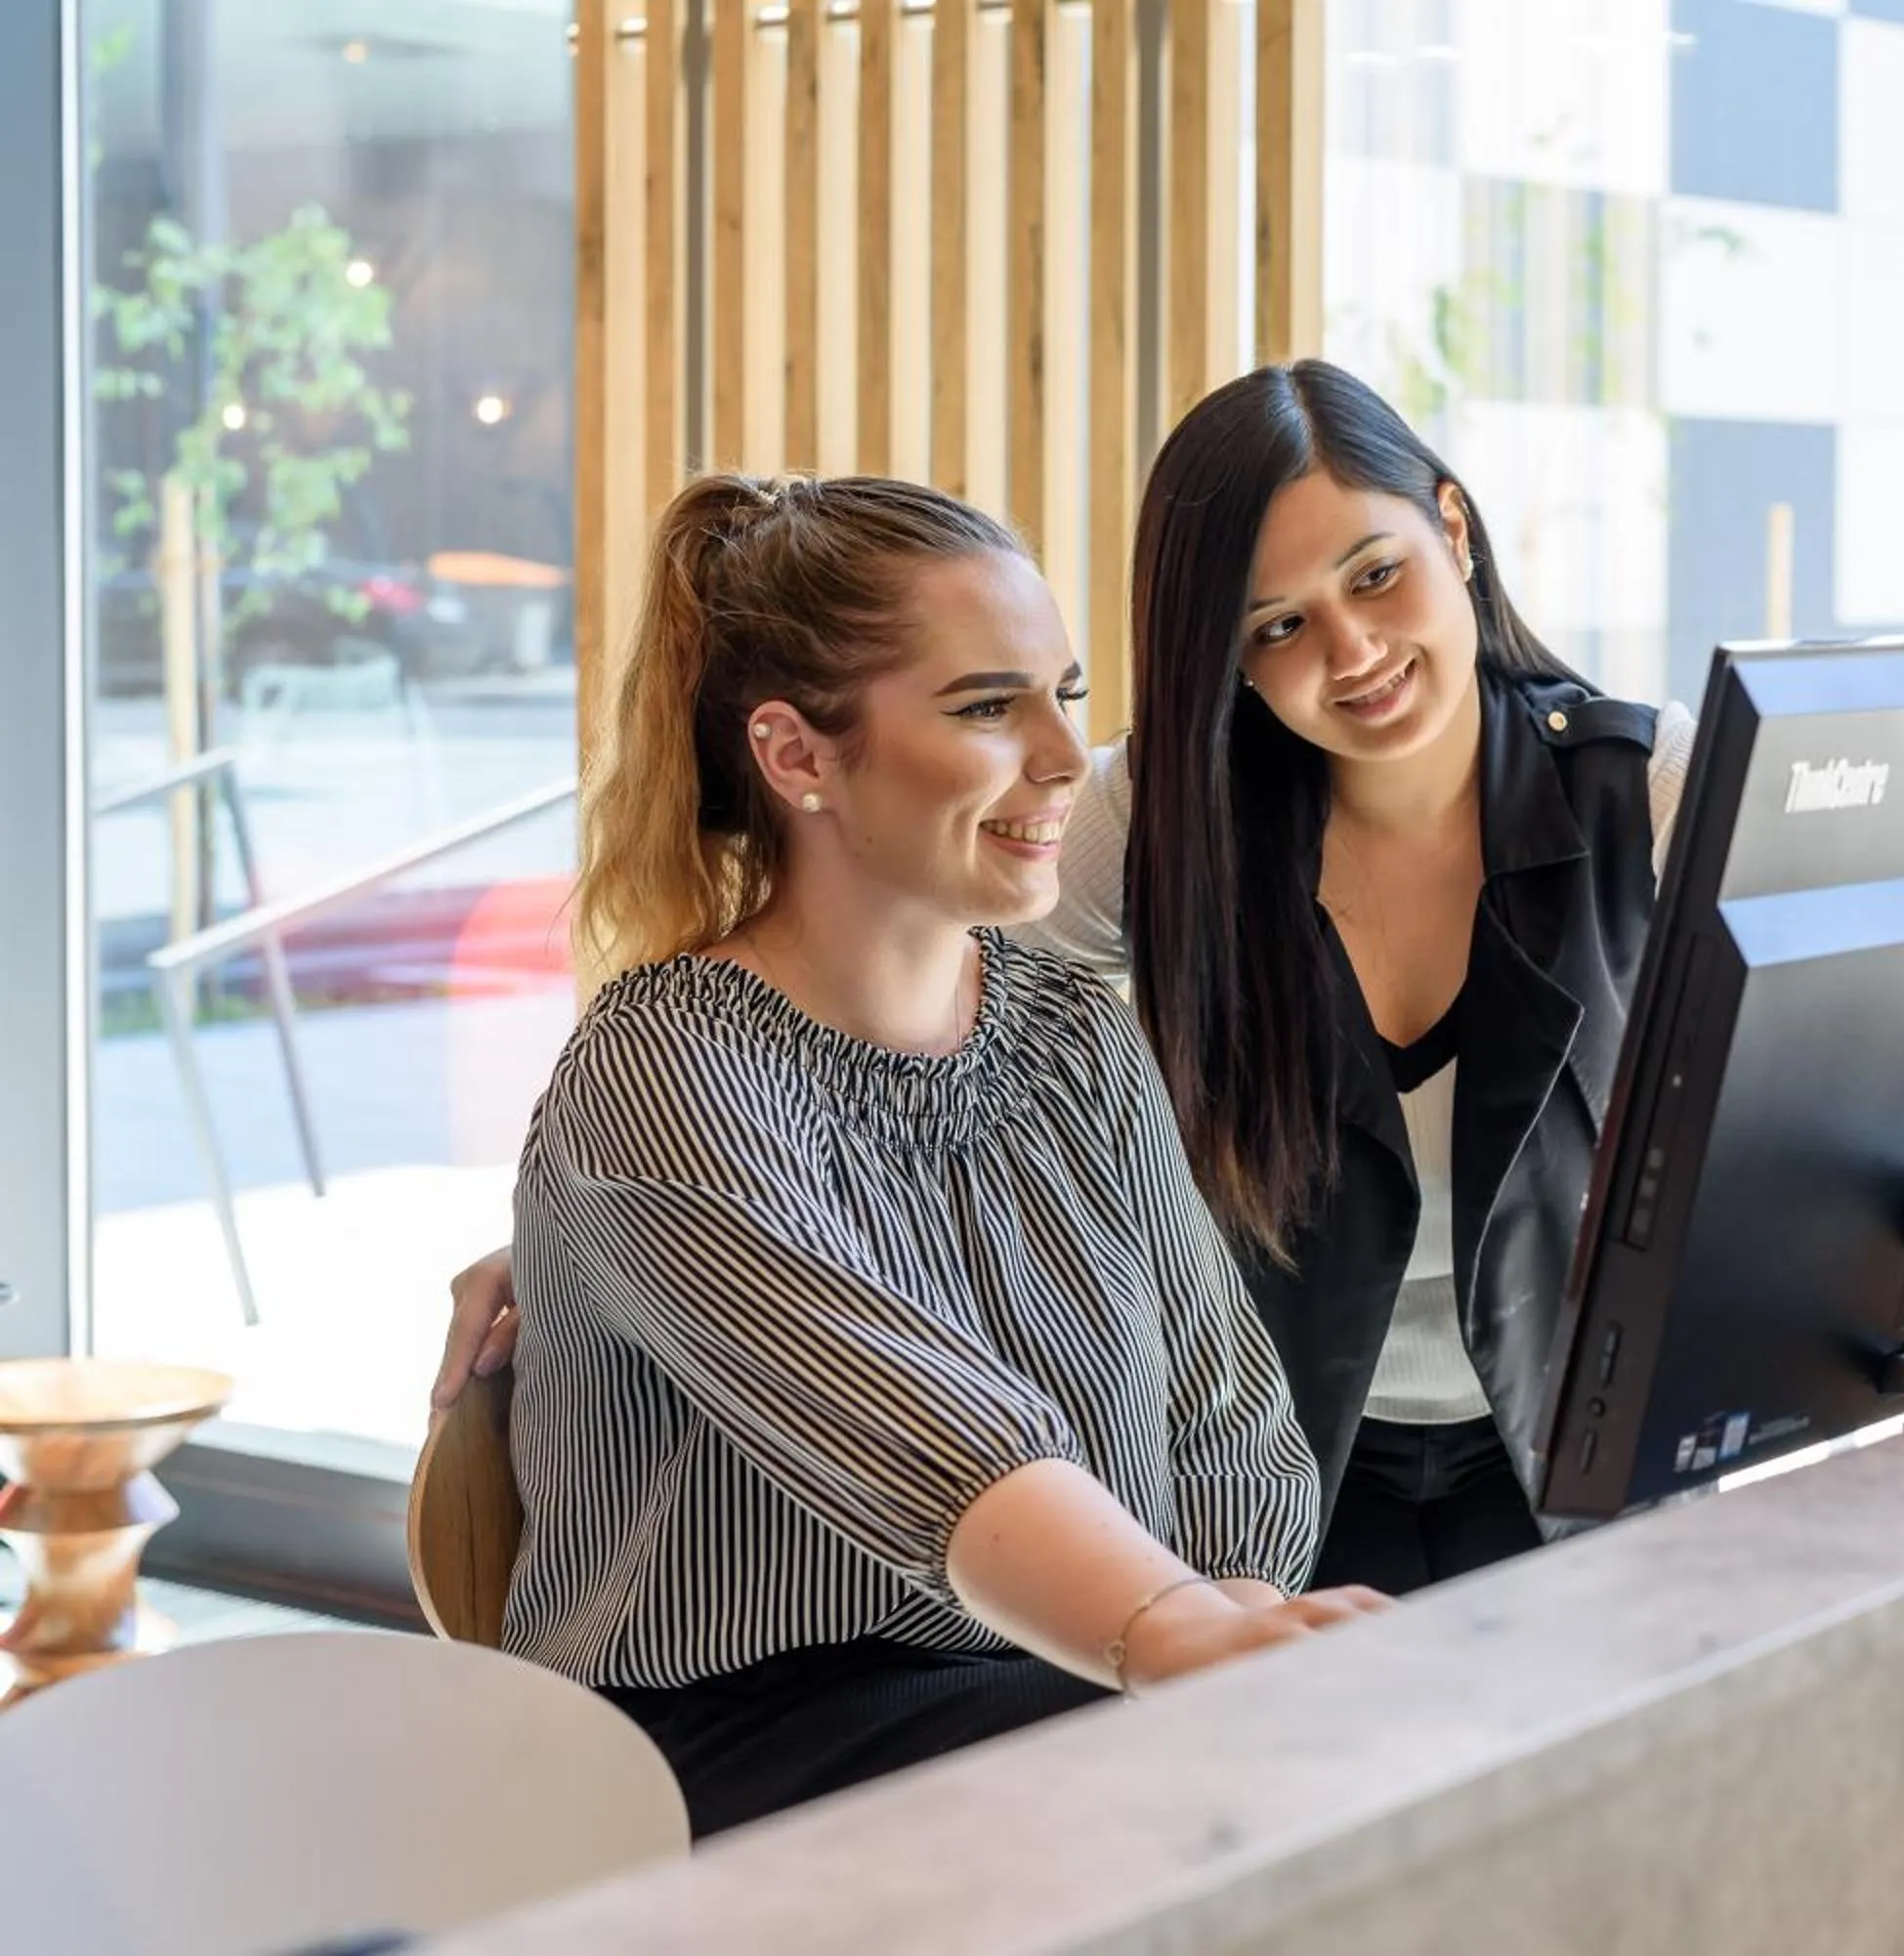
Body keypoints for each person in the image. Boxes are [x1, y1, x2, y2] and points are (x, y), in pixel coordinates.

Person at [440, 363, 1694, 1597]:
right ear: (1229, 657)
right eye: (1277, 625)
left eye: (1377, 573)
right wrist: (607, 1231)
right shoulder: (1168, 818)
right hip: (1304, 1473)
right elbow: (876, 1030)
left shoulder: (1650, 790)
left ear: (1454, 529)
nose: (1353, 648)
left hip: (1551, 1446)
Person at [495, 471, 1383, 1838]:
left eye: (1062, 696)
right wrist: (1175, 1635)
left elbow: (1226, 1420)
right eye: (986, 706)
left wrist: (1236, 1609)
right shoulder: (663, 1068)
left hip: (1065, 1677)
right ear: (796, 756)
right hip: (732, 1746)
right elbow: (927, 1438)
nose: (1061, 758)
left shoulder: (1076, 1032)